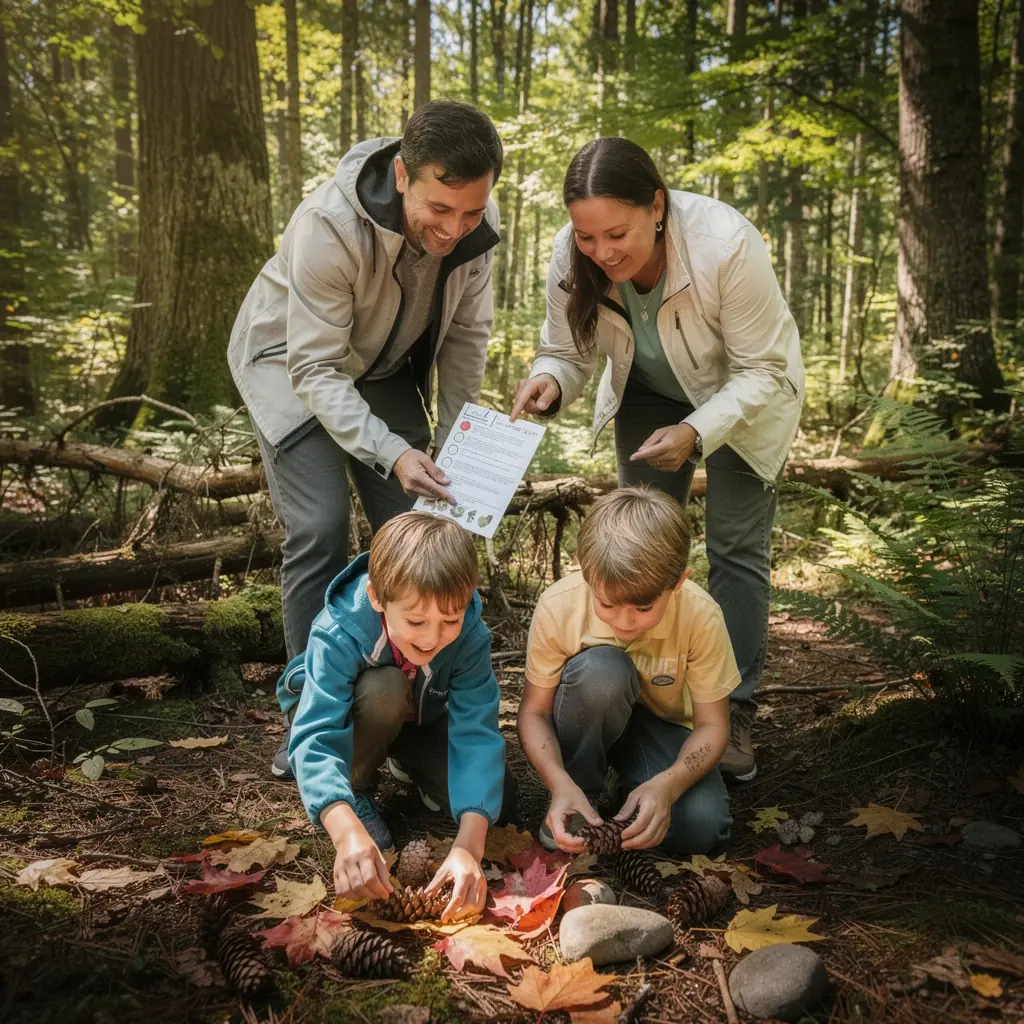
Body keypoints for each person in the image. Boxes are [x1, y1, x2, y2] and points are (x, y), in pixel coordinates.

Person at [511, 138, 804, 782]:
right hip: (645, 394)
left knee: (733, 548)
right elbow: (565, 348)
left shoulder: (727, 244)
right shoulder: (572, 248)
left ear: (658, 206)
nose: (602, 252)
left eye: (617, 233)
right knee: (637, 549)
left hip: (741, 399)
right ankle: (634, 702)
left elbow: (761, 369)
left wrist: (697, 432)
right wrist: (550, 381)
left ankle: (732, 714)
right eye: (587, 238)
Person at [227, 102, 504, 774]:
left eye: (471, 212)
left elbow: (465, 343)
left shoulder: (476, 229)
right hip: (291, 365)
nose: (454, 229)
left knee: (419, 527)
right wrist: (391, 450)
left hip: (381, 366)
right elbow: (316, 369)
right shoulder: (327, 225)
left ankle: (406, 711)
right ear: (404, 175)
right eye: (441, 209)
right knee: (321, 526)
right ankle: (307, 717)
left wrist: (459, 446)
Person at [279, 511, 515, 920]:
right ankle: (356, 785)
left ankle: (406, 762)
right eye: (416, 621)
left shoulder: (470, 638)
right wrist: (344, 829)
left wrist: (468, 846)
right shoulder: (337, 630)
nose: (432, 637)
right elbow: (319, 732)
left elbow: (475, 732)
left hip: (421, 718)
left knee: (501, 803)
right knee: (384, 688)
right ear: (377, 598)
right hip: (359, 712)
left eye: (450, 620)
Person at [517, 487, 737, 854]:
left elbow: (713, 726)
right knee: (603, 670)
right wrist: (557, 782)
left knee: (700, 830)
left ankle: (635, 784)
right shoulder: (558, 607)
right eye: (607, 604)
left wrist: (670, 784)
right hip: (583, 720)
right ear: (583, 570)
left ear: (678, 581)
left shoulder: (701, 615)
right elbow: (533, 712)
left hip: (661, 731)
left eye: (644, 607)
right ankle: (579, 791)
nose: (625, 622)